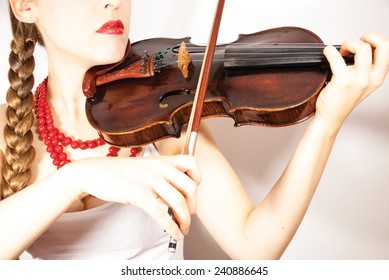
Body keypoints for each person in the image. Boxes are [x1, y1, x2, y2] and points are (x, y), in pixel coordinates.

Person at [0, 0, 388, 260]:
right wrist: (77, 178)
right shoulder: (8, 129)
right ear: (26, 5)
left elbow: (255, 247)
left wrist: (328, 122)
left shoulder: (162, 113)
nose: (113, 1)